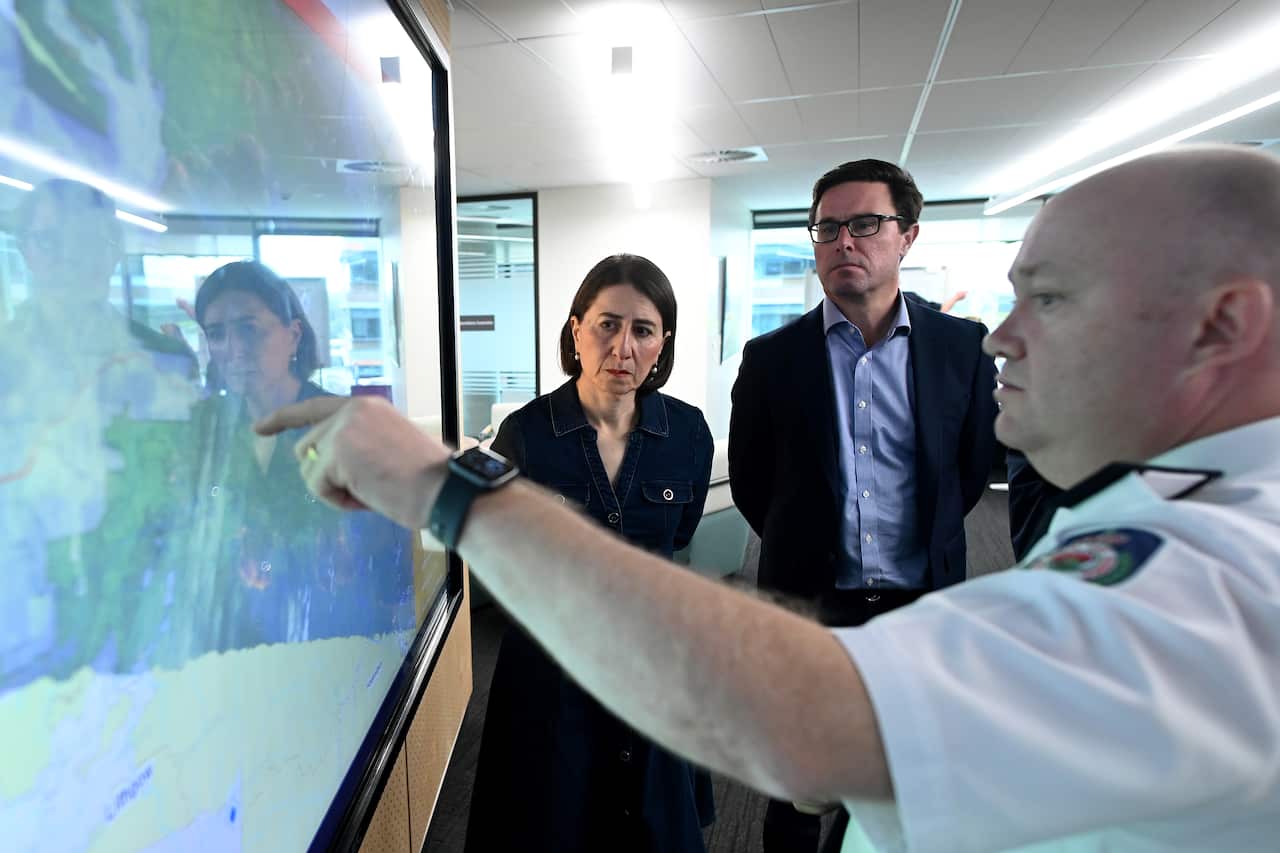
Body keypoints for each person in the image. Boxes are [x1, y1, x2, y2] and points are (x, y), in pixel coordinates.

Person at [261, 144, 1280, 852]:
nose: (1004, 335)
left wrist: (448, 486)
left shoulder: (1222, 580)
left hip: (858, 620)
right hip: (639, 663)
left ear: (1221, 325)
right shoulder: (1168, 513)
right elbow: (760, 496)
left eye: (1049, 298)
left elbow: (808, 720)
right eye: (604, 326)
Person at [728, 159, 997, 848]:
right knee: (798, 786)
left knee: (904, 779)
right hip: (810, 607)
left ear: (907, 235)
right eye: (827, 227)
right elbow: (756, 485)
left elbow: (968, 473)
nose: (844, 241)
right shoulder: (770, 359)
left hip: (919, 603)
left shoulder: (961, 349)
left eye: (865, 224)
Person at [465, 254, 715, 853]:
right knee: (552, 822)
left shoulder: (687, 433)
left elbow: (678, 534)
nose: (623, 348)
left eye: (643, 330)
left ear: (664, 343)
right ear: (576, 329)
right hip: (552, 669)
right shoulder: (525, 434)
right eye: (607, 324)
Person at [190, 260, 406, 651]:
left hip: (337, 639)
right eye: (216, 333)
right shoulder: (205, 430)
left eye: (248, 328)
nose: (233, 349)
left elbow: (389, 549)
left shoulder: (348, 424)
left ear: (293, 335)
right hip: (234, 646)